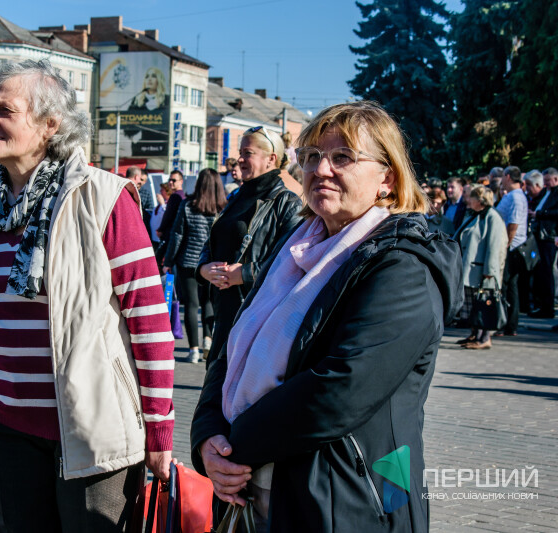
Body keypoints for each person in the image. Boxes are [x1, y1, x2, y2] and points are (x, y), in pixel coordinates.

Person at [190, 101, 463, 532]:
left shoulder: (403, 265)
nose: (321, 170)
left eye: (343, 157)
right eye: (312, 156)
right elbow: (232, 348)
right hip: (255, 489)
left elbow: (340, 389)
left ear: (387, 178)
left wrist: (233, 446)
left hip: (348, 498)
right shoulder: (294, 247)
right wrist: (207, 436)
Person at [0, 59, 174, 532]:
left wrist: (159, 426)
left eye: (4, 111)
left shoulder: (102, 197)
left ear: (50, 124)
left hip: (92, 428)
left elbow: (149, 318)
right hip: (2, 422)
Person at [196, 126, 303, 367]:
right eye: (240, 153)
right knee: (215, 380)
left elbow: (292, 263)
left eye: (248, 153)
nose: (240, 159)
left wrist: (244, 274)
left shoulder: (287, 203)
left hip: (257, 316)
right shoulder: (235, 197)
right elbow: (212, 241)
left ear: (271, 159)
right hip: (223, 312)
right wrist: (204, 269)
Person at [163, 168, 226, 363]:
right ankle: (208, 339)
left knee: (191, 304)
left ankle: (194, 350)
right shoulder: (223, 208)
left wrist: (168, 261)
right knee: (208, 302)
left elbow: (177, 234)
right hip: (212, 262)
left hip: (187, 261)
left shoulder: (188, 205)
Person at [454, 186, 508, 349]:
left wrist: (490, 271)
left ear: (479, 200)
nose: (468, 200)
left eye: (471, 197)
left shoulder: (492, 217)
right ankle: (475, 334)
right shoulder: (475, 215)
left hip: (483, 271)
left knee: (484, 304)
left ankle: (484, 338)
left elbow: (495, 246)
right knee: (473, 304)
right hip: (472, 269)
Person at [493, 166, 528, 336]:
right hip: (512, 246)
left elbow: (513, 224)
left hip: (512, 248)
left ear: (507, 177)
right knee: (510, 286)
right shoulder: (514, 195)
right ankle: (509, 324)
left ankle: (507, 323)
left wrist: (505, 245)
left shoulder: (516, 197)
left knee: (507, 286)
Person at [528, 167, 558, 318]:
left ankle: (548, 307)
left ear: (556, 179)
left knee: (547, 271)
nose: (545, 184)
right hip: (542, 235)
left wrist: (539, 214)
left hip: (549, 236)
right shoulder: (547, 193)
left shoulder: (556, 193)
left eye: (547, 180)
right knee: (542, 272)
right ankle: (543, 305)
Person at [156, 169, 186, 240]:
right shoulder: (182, 195)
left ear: (181, 182)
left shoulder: (175, 196)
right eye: (170, 180)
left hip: (170, 233)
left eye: (174, 180)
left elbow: (168, 215)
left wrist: (161, 229)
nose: (170, 182)